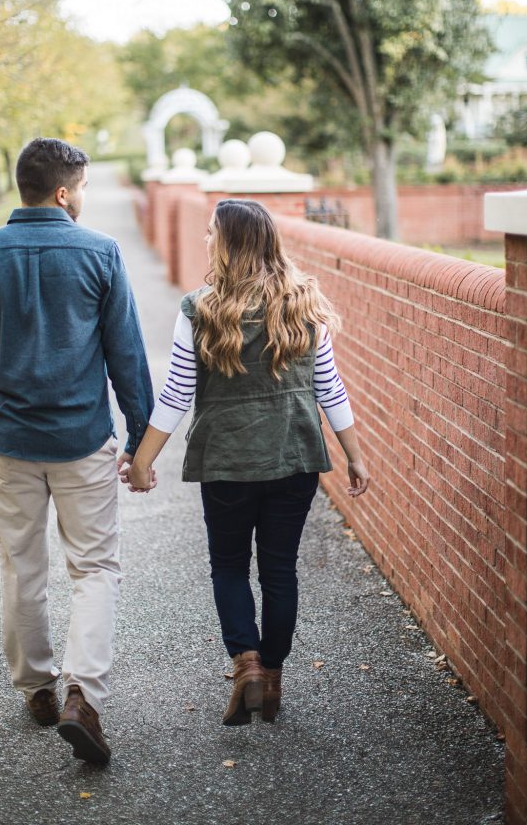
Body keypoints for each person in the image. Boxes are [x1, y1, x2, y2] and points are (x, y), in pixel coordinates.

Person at [0, 137, 153, 765]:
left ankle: (37, 689)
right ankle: (84, 694)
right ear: (63, 192)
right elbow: (127, 356)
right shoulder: (101, 253)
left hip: (11, 441)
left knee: (22, 567)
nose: (84, 196)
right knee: (95, 569)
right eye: (81, 187)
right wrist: (140, 441)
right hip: (83, 441)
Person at [124, 198, 369, 725]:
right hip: (294, 456)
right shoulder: (305, 304)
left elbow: (175, 394)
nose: (206, 240)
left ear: (231, 243)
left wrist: (143, 461)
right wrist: (355, 455)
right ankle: (272, 677)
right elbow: (329, 387)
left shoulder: (201, 309)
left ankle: (248, 666)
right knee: (280, 569)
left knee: (230, 565)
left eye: (212, 233)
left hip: (228, 460)